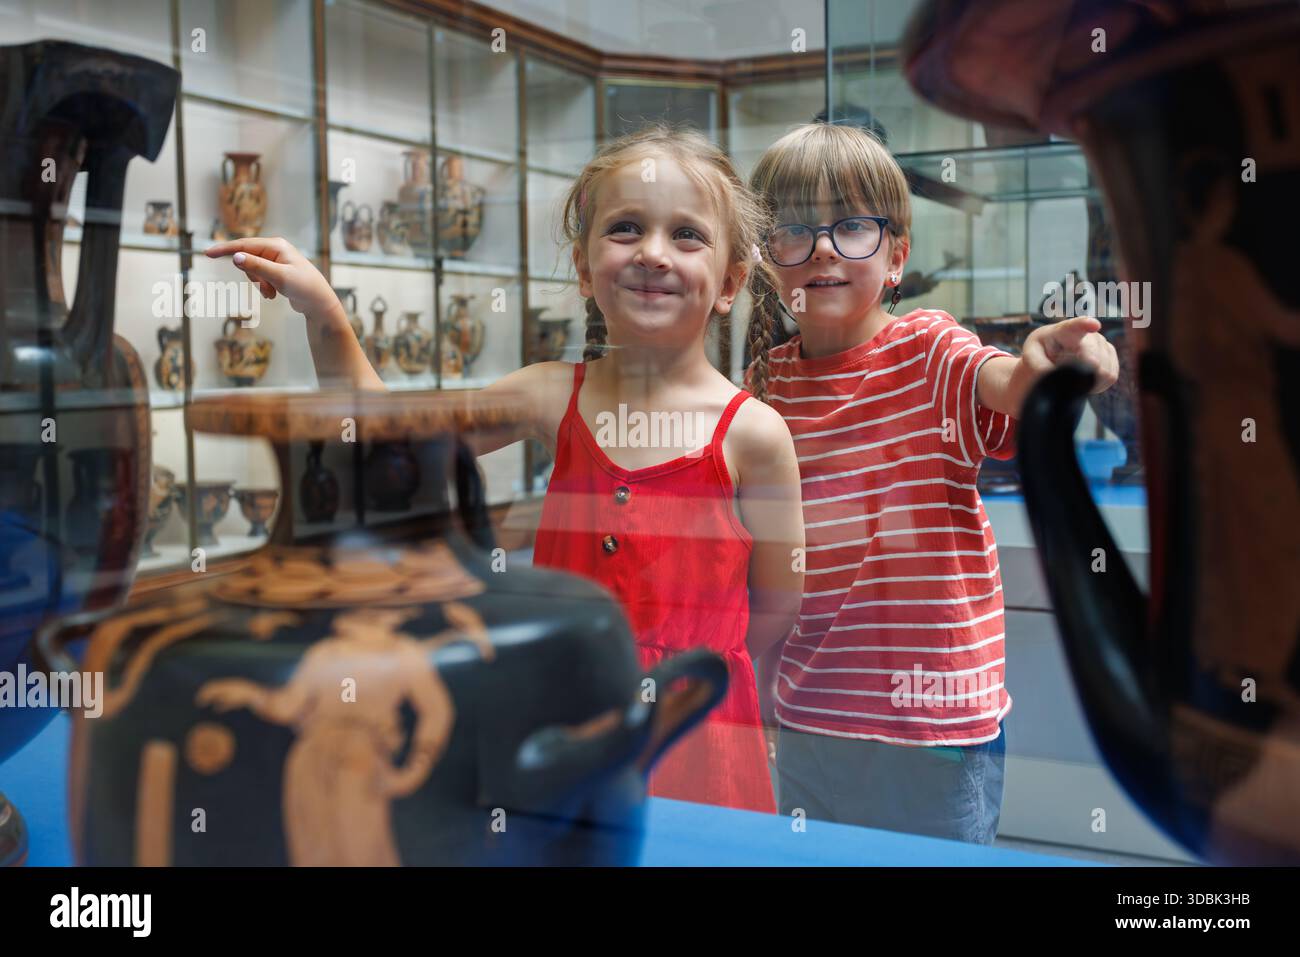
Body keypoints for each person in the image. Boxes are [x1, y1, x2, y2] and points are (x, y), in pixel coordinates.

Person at [206, 125, 804, 814]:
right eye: (627, 228)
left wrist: (691, 657)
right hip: (562, 712)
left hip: (698, 734)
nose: (652, 254)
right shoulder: (550, 393)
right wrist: (325, 313)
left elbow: (777, 606)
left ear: (730, 281)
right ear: (584, 267)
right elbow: (390, 435)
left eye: (687, 235)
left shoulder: (756, 435)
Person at [744, 121, 1119, 843]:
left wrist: (1050, 365)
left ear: (897, 258)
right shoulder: (766, 380)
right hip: (807, 717)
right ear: (768, 261)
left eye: (851, 226)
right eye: (795, 230)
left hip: (931, 727)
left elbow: (1008, 383)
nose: (822, 247)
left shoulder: (929, 348)